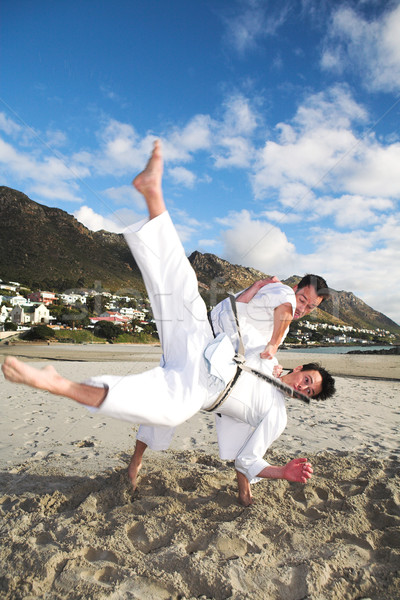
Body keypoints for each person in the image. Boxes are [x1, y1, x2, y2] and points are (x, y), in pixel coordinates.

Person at [2, 140, 335, 506]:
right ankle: (152, 193)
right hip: (203, 341)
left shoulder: (277, 410)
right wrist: (271, 337)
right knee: (179, 282)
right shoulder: (279, 320)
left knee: (165, 408)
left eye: (308, 392)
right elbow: (283, 313)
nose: (303, 387)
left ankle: (57, 383)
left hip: (201, 386)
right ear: (301, 368)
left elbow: (249, 454)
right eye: (308, 380)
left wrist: (278, 473)